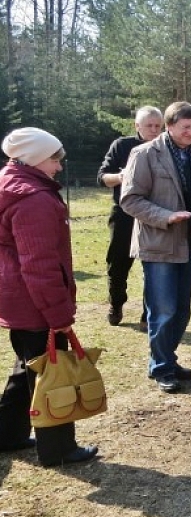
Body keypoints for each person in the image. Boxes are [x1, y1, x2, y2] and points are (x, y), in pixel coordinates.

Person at [0, 127, 98, 466]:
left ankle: (7, 434)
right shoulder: (34, 199)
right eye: (55, 159)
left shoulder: (10, 183)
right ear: (36, 158)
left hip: (17, 297)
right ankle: (58, 449)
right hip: (34, 302)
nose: (59, 167)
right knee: (51, 374)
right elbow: (39, 265)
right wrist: (58, 314)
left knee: (28, 366)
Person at [120, 102, 191, 393]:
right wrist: (166, 217)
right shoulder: (145, 154)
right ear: (169, 126)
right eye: (186, 127)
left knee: (182, 310)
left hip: (189, 242)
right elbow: (130, 199)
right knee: (163, 309)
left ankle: (167, 359)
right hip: (158, 243)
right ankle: (161, 367)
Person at [97, 106, 163, 330]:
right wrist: (121, 176)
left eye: (158, 126)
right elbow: (102, 177)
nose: (154, 130)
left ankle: (148, 313)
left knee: (153, 266)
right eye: (149, 126)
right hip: (125, 214)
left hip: (155, 214)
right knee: (117, 264)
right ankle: (116, 304)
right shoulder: (122, 145)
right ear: (137, 126)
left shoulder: (166, 148)